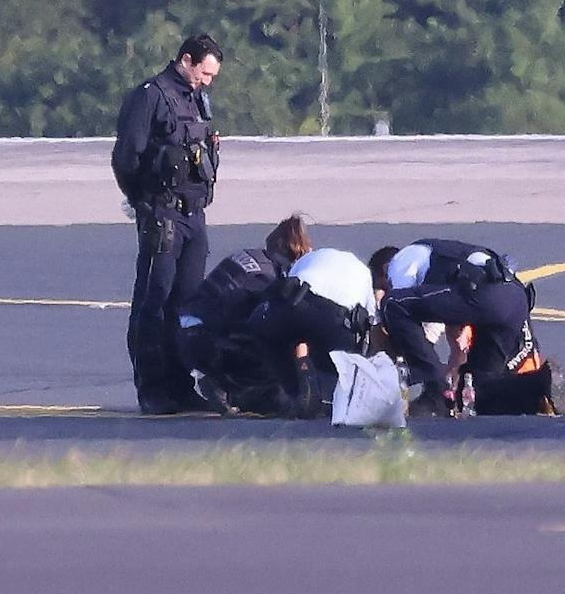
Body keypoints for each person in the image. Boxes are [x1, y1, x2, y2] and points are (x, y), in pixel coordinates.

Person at [112, 34, 225, 414]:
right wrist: (144, 205)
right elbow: (126, 158)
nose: (208, 81)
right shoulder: (150, 96)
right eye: (205, 73)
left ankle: (180, 384)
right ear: (187, 60)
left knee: (188, 304)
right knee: (154, 303)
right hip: (163, 215)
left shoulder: (195, 98)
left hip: (194, 216)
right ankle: (152, 388)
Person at [373, 239, 542, 415]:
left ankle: (435, 392)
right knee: (477, 389)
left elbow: (406, 318)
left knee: (392, 303)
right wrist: (452, 367)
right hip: (515, 297)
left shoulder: (400, 261)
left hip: (484, 293)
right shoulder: (443, 264)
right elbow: (451, 332)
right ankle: (539, 388)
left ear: (385, 269)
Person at [174, 215, 312, 414]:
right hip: (209, 342)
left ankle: (224, 382)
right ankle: (229, 387)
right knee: (277, 339)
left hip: (187, 333)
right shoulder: (269, 276)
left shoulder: (251, 256)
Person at [235, 246, 377, 418]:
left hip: (292, 303)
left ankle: (292, 393)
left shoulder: (308, 259)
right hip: (336, 320)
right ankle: (335, 398)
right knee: (341, 356)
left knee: (267, 333)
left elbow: (288, 294)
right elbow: (370, 328)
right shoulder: (364, 274)